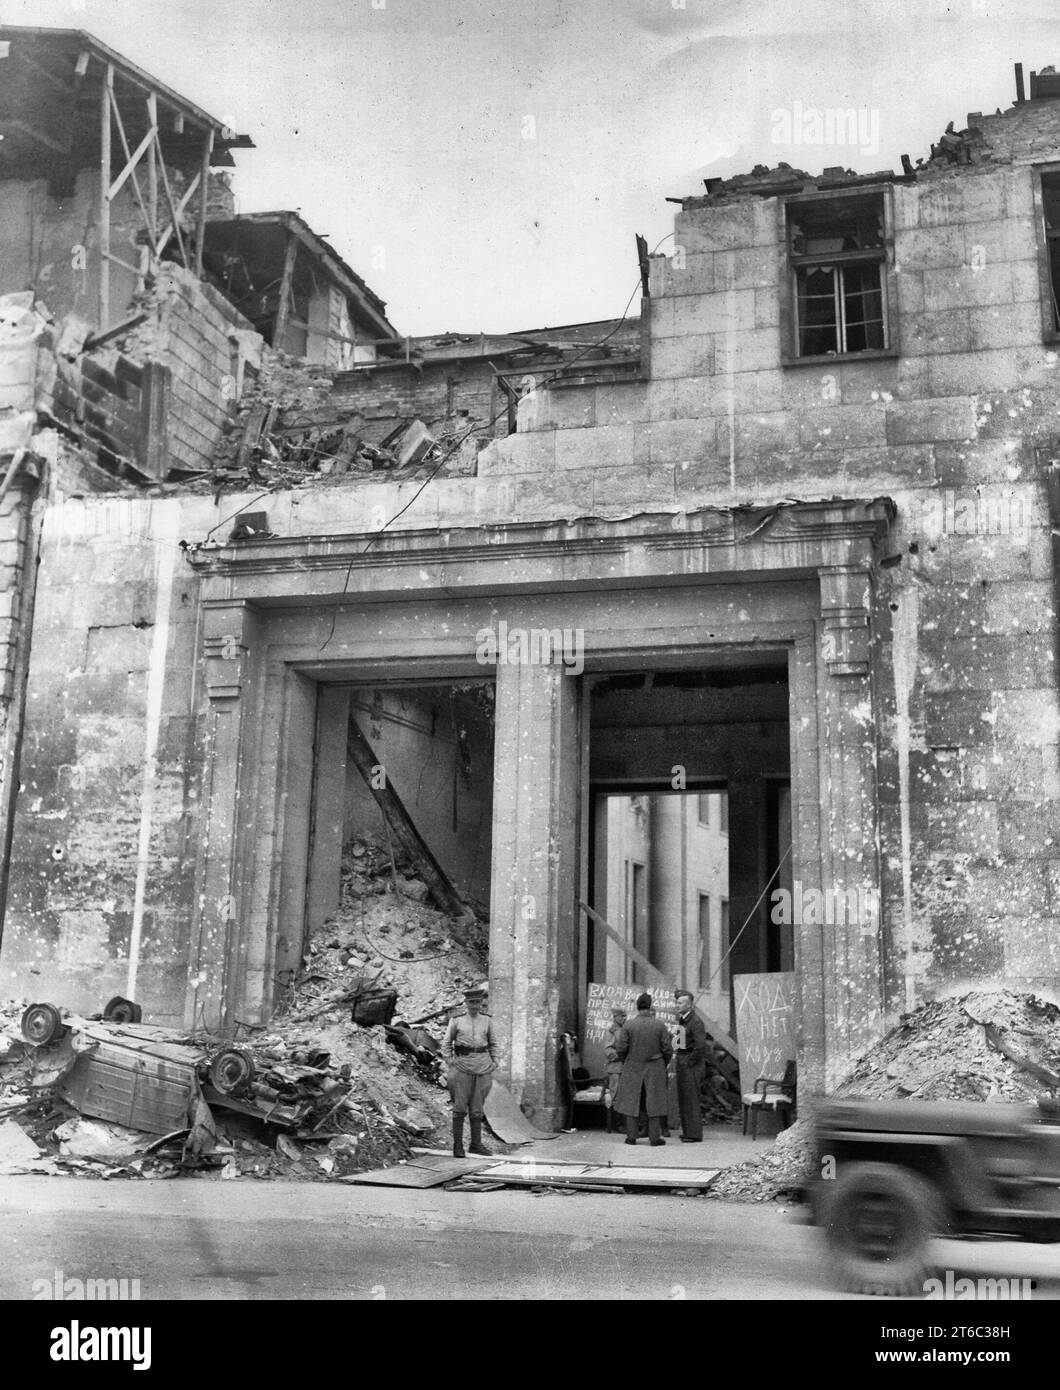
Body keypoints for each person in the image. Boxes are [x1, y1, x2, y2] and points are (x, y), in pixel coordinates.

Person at [611, 992, 673, 1146]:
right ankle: (654, 1138)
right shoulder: (659, 1025)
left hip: (633, 1066)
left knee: (632, 1100)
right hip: (655, 1066)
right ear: (650, 1006)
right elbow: (667, 1049)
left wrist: (628, 1060)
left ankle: (631, 1137)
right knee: (655, 1101)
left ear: (637, 1007)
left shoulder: (628, 1025)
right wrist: (662, 1063)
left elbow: (621, 1048)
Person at [442, 985, 497, 1157]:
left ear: (481, 1003)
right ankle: (458, 1146)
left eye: (478, 1002)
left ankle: (476, 1144)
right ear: (466, 1003)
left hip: (482, 1066)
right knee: (459, 1107)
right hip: (462, 1066)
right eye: (472, 1002)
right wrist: (450, 1061)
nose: (475, 1006)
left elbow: (493, 1043)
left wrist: (494, 1061)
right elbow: (446, 1043)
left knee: (477, 1108)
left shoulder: (487, 1020)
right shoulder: (456, 1020)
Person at [674, 989, 708, 1142]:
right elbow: (681, 1042)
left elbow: (700, 1046)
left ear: (689, 1005)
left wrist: (689, 1061)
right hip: (683, 1062)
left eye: (681, 1003)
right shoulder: (683, 1020)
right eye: (677, 1002)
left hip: (691, 1065)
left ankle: (694, 1134)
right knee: (685, 1099)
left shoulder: (695, 1022)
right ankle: (688, 1132)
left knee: (691, 1099)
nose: (677, 1005)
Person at [604, 1007, 627, 1131]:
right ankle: (617, 1124)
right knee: (616, 1096)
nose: (624, 1018)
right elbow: (608, 1051)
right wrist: (622, 1054)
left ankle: (624, 1123)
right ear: (615, 1017)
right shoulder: (612, 1031)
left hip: (624, 1069)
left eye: (625, 1016)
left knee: (624, 1097)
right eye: (622, 1016)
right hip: (615, 1069)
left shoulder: (624, 1029)